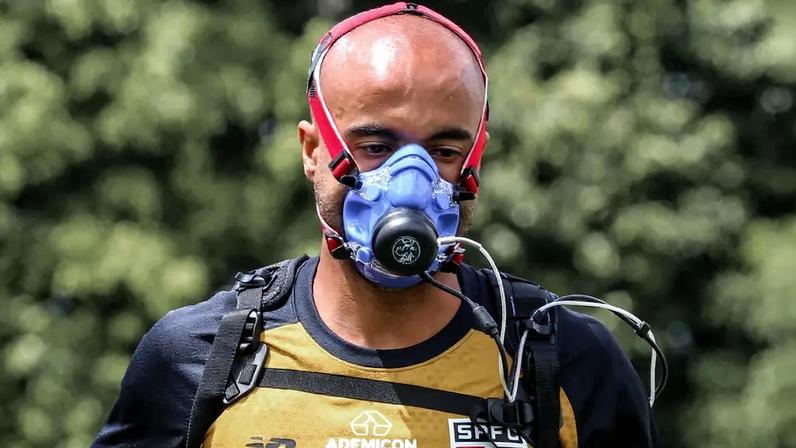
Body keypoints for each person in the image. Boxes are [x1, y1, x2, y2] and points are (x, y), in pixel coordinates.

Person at [93, 3, 658, 447]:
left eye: (443, 151)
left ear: (475, 160)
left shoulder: (565, 363)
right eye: (375, 146)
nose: (409, 183)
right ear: (313, 151)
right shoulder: (200, 358)